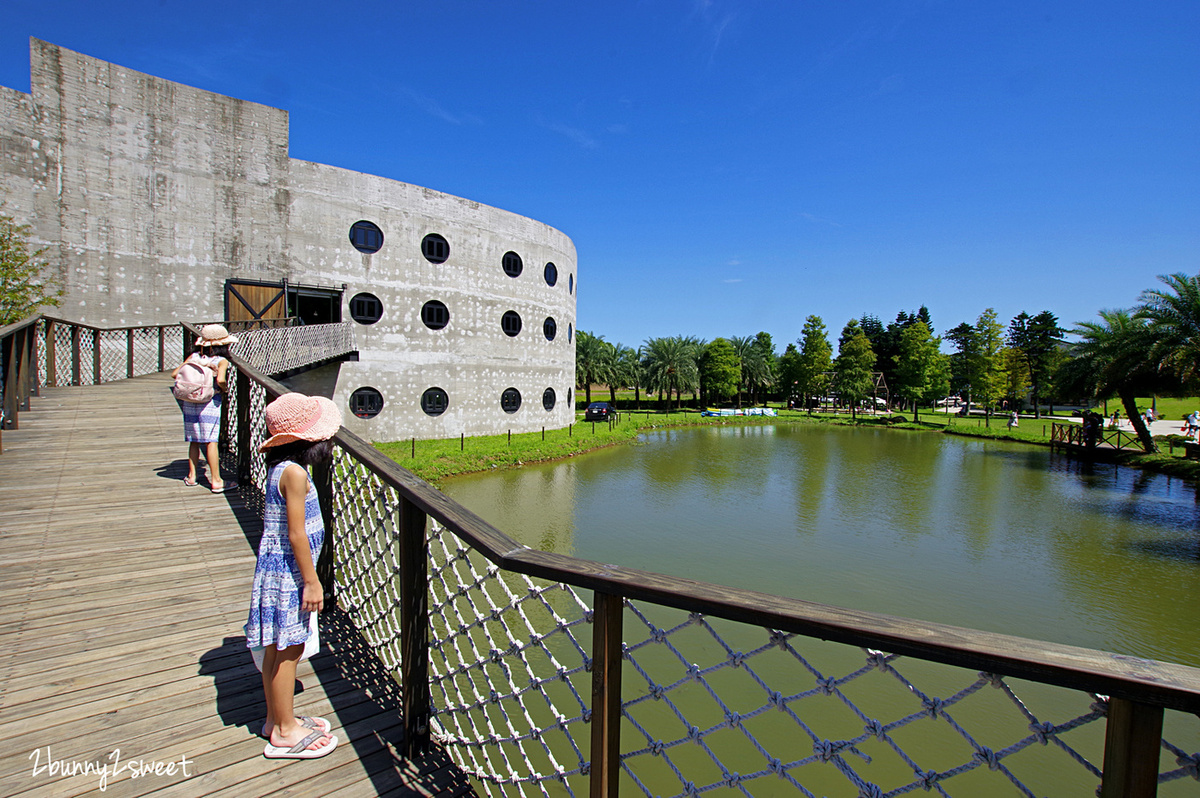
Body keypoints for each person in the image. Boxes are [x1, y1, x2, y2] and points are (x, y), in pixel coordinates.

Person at [246, 393, 343, 759]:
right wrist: (312, 580)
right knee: (290, 650)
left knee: (277, 647)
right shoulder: (296, 474)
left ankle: (276, 718)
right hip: (290, 576)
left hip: (274, 572)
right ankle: (286, 732)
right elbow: (296, 533)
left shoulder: (279, 469)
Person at [172, 324, 237, 492]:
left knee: (194, 438)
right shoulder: (221, 361)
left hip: (190, 400)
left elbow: (175, 374)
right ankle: (216, 481)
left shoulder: (194, 356)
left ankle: (192, 476)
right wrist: (224, 389)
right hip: (209, 401)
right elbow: (221, 380)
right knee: (211, 440)